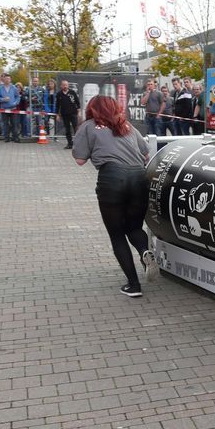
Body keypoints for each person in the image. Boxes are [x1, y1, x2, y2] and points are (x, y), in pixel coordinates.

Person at [72, 95, 158, 297]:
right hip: (139, 178)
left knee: (117, 234)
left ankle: (134, 285)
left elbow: (80, 160)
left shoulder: (88, 126)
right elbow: (146, 154)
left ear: (92, 110)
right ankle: (145, 252)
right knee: (134, 228)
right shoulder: (125, 125)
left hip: (112, 179)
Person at [0, 74, 20, 143]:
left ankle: (15, 137)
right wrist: (3, 99)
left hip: (13, 108)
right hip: (4, 109)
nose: (7, 80)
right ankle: (7, 137)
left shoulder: (14, 88)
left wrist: (16, 103)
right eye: (6, 79)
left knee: (14, 123)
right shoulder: (0, 88)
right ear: (3, 80)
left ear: (10, 80)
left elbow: (18, 97)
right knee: (5, 124)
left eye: (8, 79)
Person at [57, 80, 80, 149]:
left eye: (66, 85)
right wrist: (57, 115)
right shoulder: (59, 94)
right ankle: (70, 144)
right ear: (61, 86)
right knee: (67, 130)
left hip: (73, 113)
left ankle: (78, 144)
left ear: (68, 85)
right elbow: (57, 105)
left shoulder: (72, 92)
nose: (65, 86)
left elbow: (77, 102)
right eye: (63, 85)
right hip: (65, 114)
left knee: (76, 129)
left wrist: (79, 111)